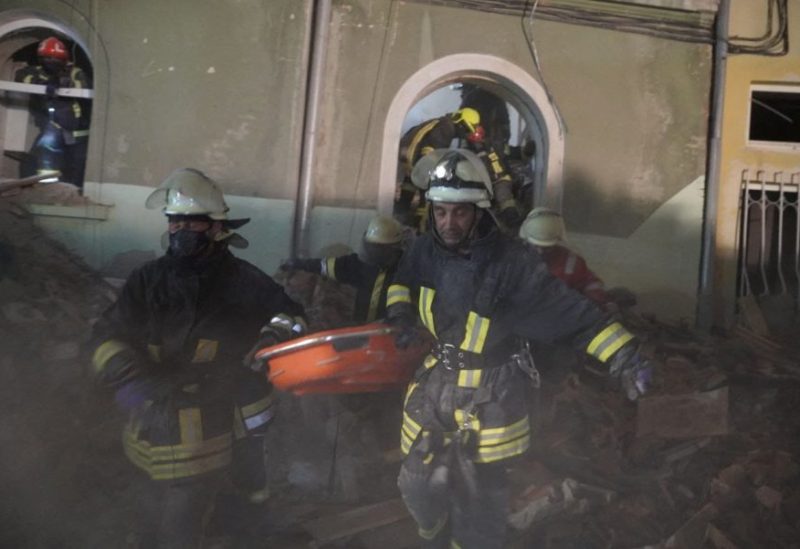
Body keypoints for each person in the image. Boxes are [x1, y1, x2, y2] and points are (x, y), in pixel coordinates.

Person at [385, 149, 651, 548]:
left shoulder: (511, 262)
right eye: (441, 212)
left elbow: (569, 313)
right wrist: (401, 315)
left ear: (478, 211)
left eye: (459, 213)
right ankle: (436, 539)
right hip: (435, 386)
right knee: (417, 482)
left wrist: (624, 355)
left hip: (490, 398)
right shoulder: (424, 250)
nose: (449, 223)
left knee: (478, 506)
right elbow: (402, 281)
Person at [89, 168, 306, 548]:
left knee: (182, 522)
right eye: (175, 221)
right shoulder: (148, 279)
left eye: (192, 222)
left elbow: (292, 315)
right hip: (149, 420)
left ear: (217, 227)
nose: (180, 230)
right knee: (145, 517)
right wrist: (126, 374)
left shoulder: (243, 281)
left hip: (206, 419)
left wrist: (272, 334)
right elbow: (107, 333)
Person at [281, 214, 406, 323]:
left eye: (379, 249)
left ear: (393, 249)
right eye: (372, 247)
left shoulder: (405, 270)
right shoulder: (356, 265)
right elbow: (326, 266)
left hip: (389, 334)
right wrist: (299, 264)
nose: (373, 252)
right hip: (360, 332)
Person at [14, 36, 91, 187]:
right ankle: (45, 188)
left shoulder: (75, 73)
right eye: (46, 59)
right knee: (41, 157)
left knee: (77, 164)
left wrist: (63, 83)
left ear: (64, 59)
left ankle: (75, 192)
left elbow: (84, 85)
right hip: (52, 127)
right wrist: (43, 84)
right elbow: (21, 76)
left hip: (78, 131)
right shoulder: (36, 72)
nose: (50, 62)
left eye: (54, 59)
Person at [519, 207, 616, 311]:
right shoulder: (515, 261)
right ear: (526, 240)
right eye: (536, 246)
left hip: (564, 317)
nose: (540, 252)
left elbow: (589, 283)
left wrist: (598, 301)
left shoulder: (571, 261)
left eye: (546, 247)